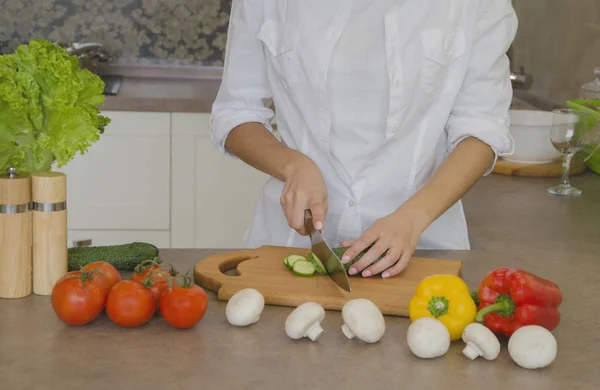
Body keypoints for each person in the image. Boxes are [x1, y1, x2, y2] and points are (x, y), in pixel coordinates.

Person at [210, 0, 518, 279]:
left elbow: (482, 129)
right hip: (291, 246)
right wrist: (292, 166)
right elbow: (236, 112)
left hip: (425, 251)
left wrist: (414, 217)